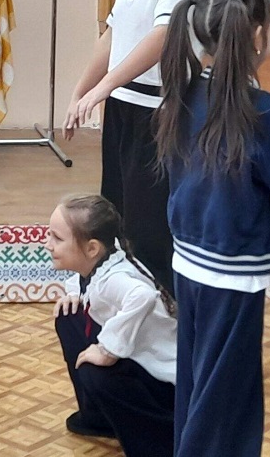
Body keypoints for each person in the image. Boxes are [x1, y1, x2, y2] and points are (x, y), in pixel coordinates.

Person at [155, 0, 270, 457]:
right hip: (235, 270)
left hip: (188, 260)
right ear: (257, 35)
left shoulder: (183, 93)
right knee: (226, 403)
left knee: (198, 385)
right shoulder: (265, 113)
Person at [63, 0, 205, 292]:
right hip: (123, 107)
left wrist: (103, 88)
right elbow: (112, 36)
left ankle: (162, 303)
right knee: (116, 207)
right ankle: (118, 293)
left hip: (155, 113)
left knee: (148, 221)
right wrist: (80, 92)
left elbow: (161, 39)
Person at [48, 194, 176, 457]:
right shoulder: (105, 257)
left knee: (94, 373)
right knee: (69, 317)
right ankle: (99, 418)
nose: (47, 244)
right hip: (138, 358)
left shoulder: (114, 278)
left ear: (92, 248)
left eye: (57, 238)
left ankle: (159, 444)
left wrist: (107, 350)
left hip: (163, 382)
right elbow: (86, 281)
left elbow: (142, 296)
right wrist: (74, 294)